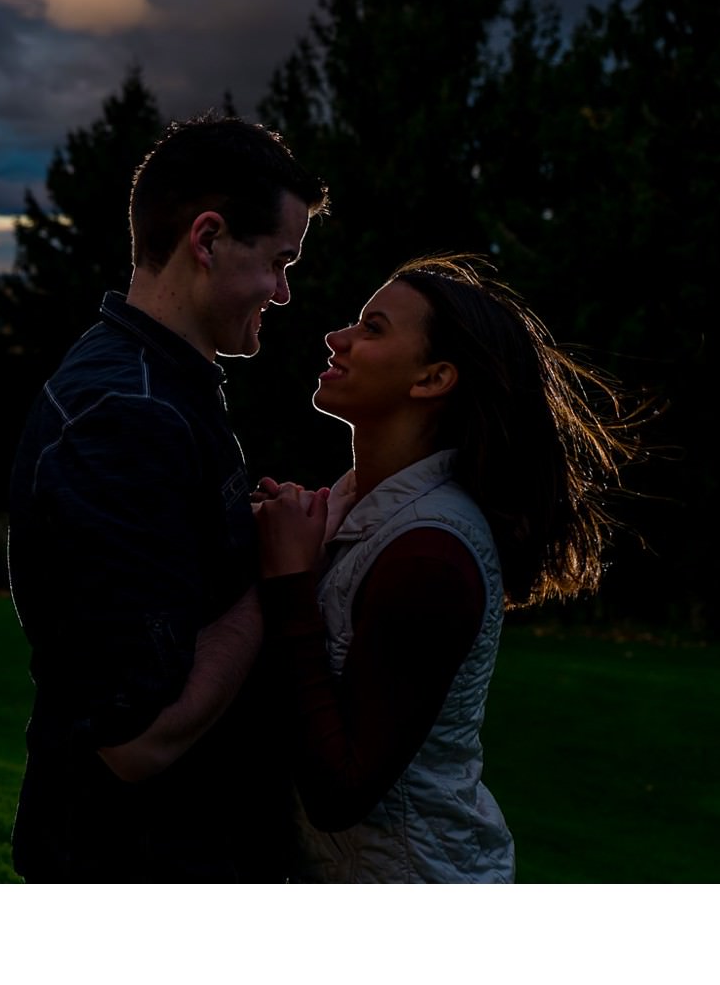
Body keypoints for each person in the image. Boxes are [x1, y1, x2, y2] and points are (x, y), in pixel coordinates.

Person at [7, 113, 329, 882]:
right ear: (208, 238)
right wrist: (278, 571)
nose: (284, 292)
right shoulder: (125, 417)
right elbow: (138, 735)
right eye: (279, 260)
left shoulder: (165, 387)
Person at [254, 254, 636, 883]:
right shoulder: (360, 507)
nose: (336, 337)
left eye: (372, 329)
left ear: (432, 378)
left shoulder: (431, 555)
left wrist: (290, 583)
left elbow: (339, 793)